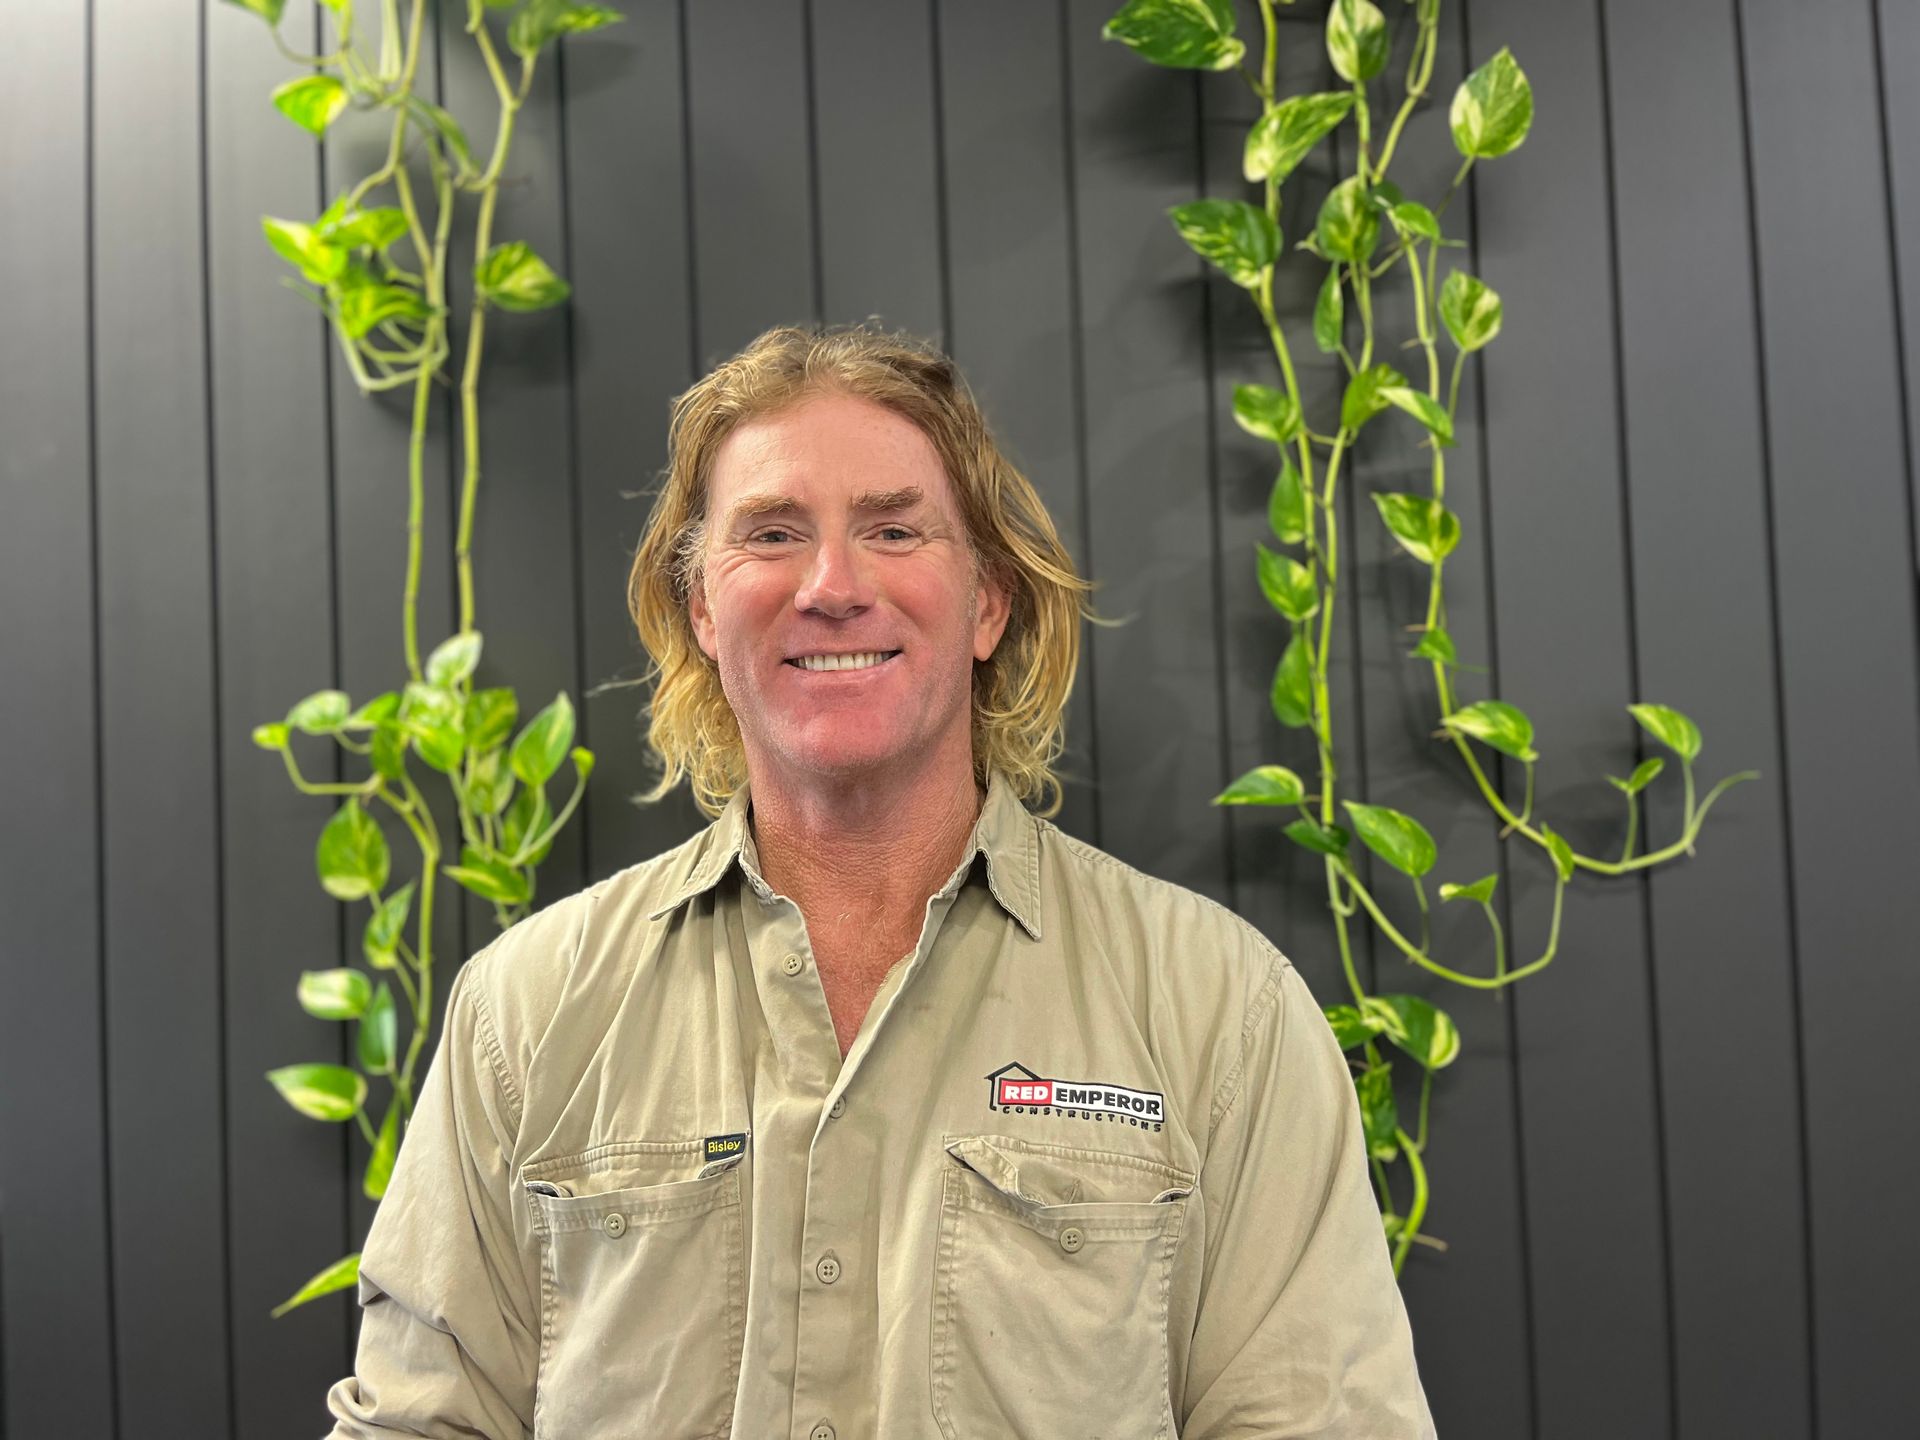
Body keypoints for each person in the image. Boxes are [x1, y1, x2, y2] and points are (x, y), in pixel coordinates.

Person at [324, 322, 1437, 1438]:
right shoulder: (523, 1013)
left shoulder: (1218, 1015)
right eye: (771, 533)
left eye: (895, 529)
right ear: (703, 607)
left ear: (990, 602)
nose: (833, 586)